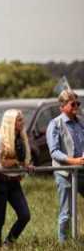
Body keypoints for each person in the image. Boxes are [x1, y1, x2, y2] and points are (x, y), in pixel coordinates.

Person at [0, 109, 33, 246]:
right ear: (10, 122)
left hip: (14, 183)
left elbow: (21, 161)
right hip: (0, 182)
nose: (23, 122)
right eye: (19, 120)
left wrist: (26, 166)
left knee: (25, 215)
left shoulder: (21, 137)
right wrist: (15, 163)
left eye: (22, 119)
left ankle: (8, 243)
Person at [46, 89, 84, 242]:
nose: (76, 106)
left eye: (78, 103)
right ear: (62, 107)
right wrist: (73, 161)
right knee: (66, 212)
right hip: (65, 174)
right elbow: (54, 152)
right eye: (73, 104)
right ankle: (64, 245)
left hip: (81, 171)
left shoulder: (80, 122)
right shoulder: (55, 124)